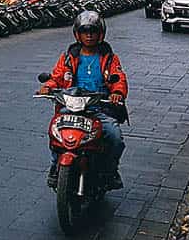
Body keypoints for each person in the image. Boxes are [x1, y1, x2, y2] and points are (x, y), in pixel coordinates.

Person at [37, 10, 128, 190]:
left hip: (98, 108)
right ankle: (55, 166)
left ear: (100, 33)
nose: (89, 35)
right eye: (85, 31)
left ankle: (110, 171)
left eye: (93, 31)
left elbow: (119, 77)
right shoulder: (69, 57)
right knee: (55, 131)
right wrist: (48, 85)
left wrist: (117, 92)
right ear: (77, 34)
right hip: (71, 106)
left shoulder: (109, 58)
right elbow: (57, 76)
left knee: (115, 137)